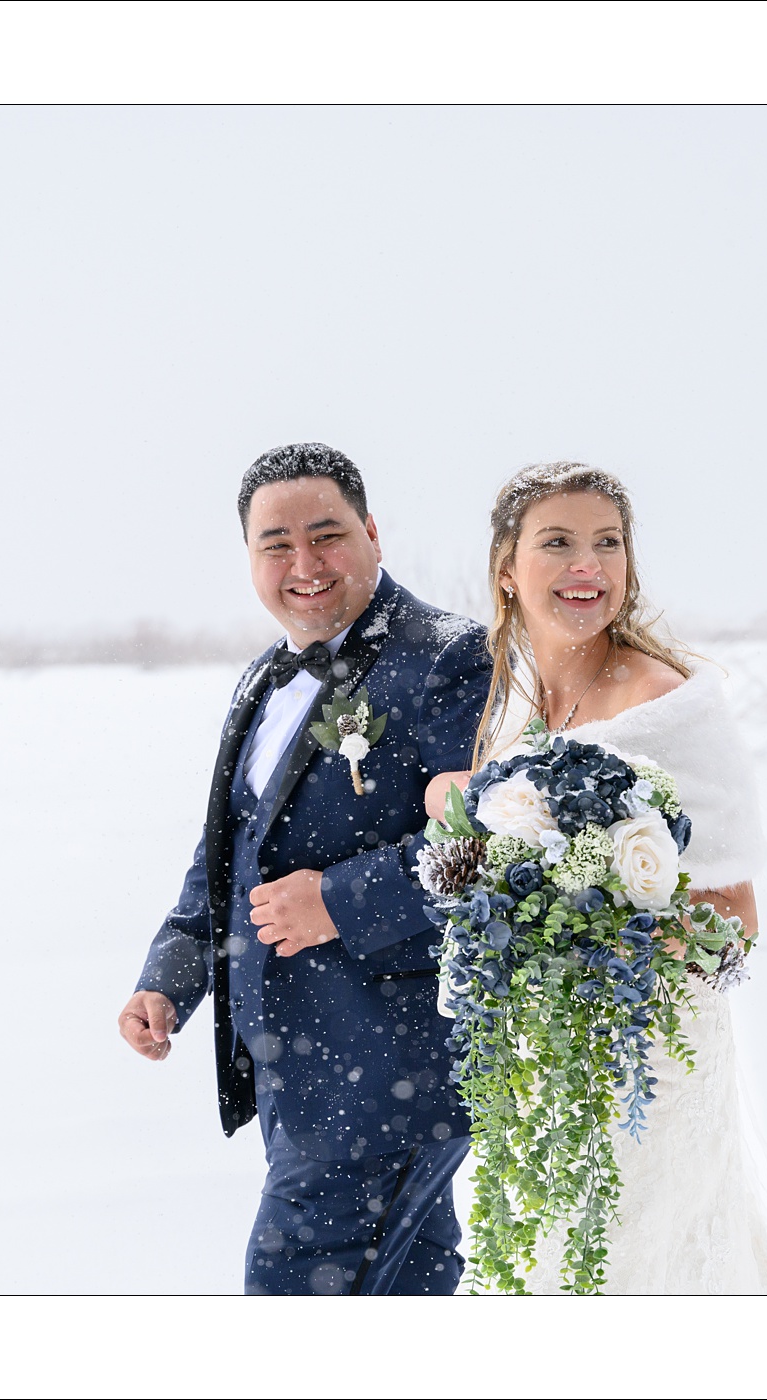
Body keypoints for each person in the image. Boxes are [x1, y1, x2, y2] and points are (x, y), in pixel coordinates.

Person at [424, 460, 767, 1293]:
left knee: (640, 1269)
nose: (588, 566)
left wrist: (602, 927)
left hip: (651, 1064)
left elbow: (737, 920)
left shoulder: (667, 703)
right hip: (545, 1067)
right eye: (559, 544)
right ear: (508, 571)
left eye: (607, 544)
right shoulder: (518, 711)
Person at [119, 443, 493, 1295]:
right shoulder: (263, 678)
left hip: (389, 1076)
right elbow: (224, 857)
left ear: (372, 533)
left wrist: (339, 899)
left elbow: (496, 852)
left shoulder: (450, 659)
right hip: (299, 1072)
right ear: (249, 558)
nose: (304, 564)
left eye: (325, 535)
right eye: (275, 544)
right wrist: (169, 981)